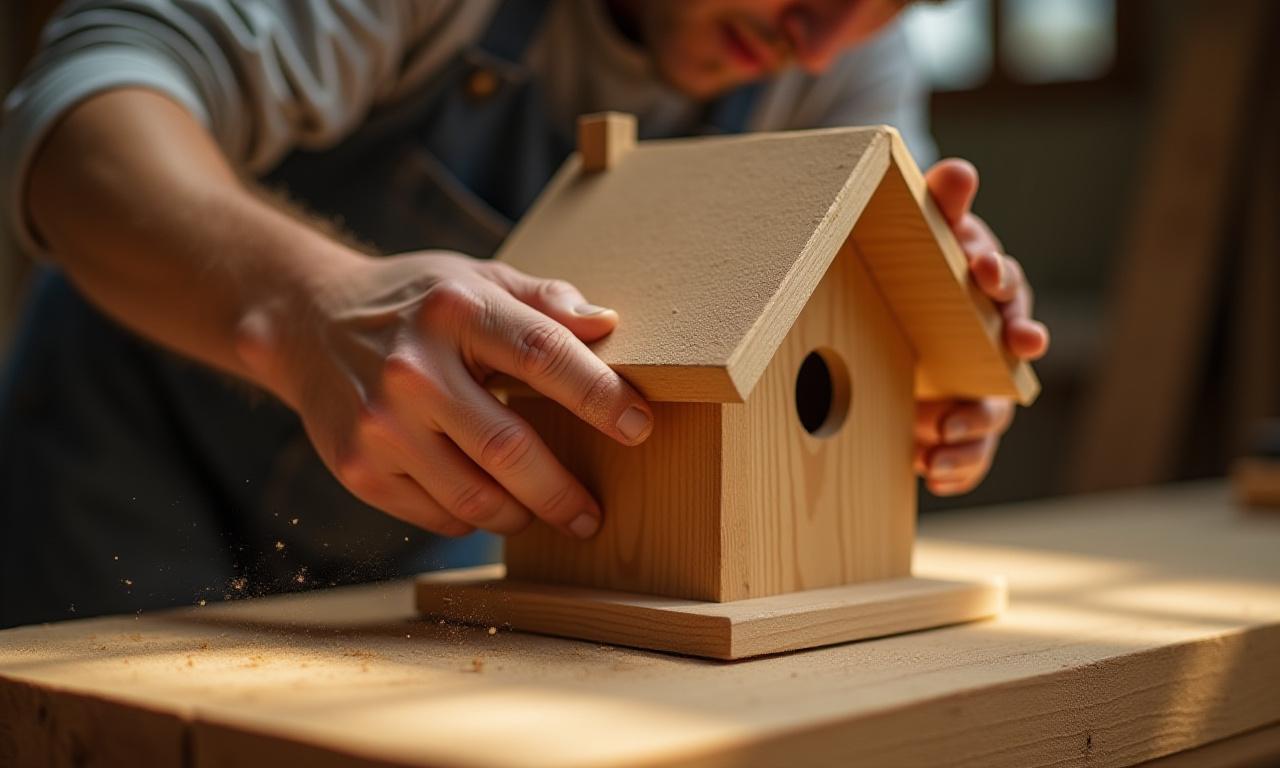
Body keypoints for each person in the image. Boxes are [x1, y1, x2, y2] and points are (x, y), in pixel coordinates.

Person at [0, 0, 1049, 628]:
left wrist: (927, 365)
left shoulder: (837, 57)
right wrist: (305, 305)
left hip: (449, 544)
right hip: (125, 481)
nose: (821, 40)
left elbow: (879, 298)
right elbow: (81, 119)